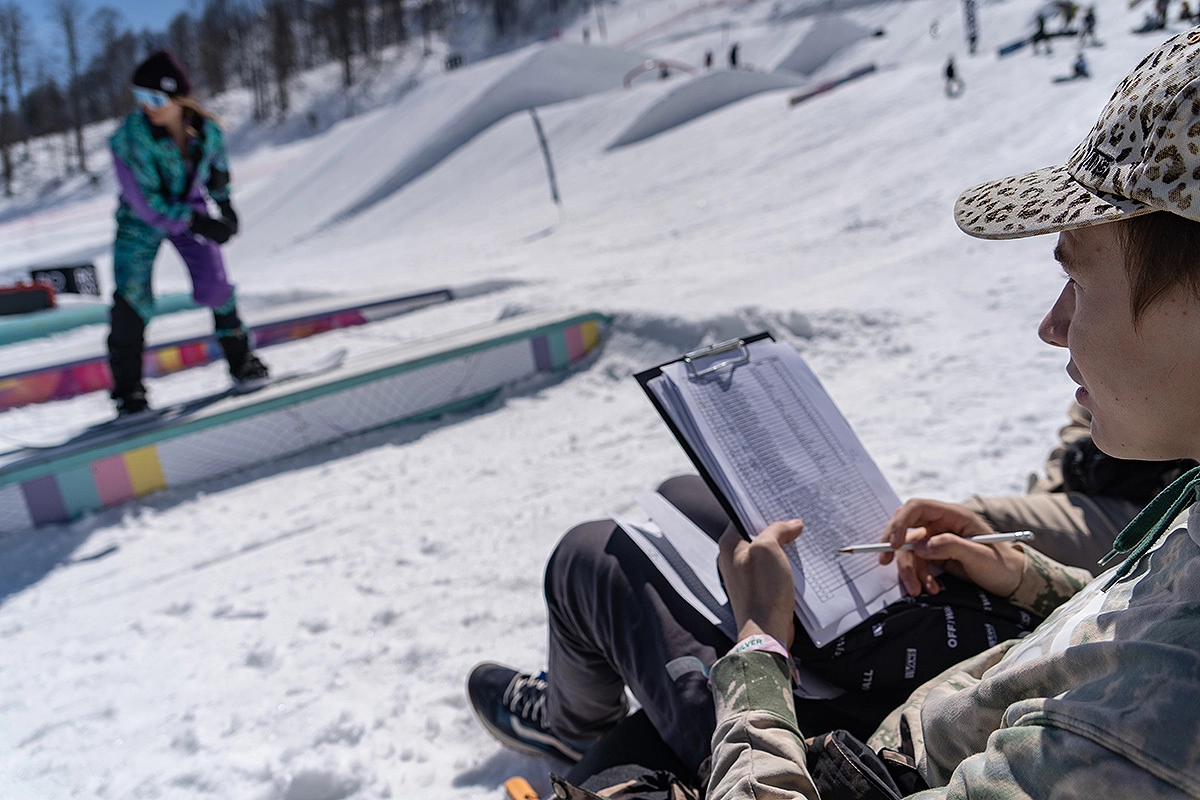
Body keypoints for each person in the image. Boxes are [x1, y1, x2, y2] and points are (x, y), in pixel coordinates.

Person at [708, 30, 1200, 799]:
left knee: (603, 563)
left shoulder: (1157, 724)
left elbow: (1147, 686)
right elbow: (1141, 623)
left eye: (1082, 280)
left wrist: (759, 650)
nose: (1053, 324)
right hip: (940, 712)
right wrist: (1027, 582)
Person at [108, 50, 268, 416]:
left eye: (154, 98)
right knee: (133, 296)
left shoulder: (206, 131)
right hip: (140, 221)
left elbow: (217, 170)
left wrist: (224, 206)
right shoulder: (128, 140)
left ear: (178, 98)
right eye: (139, 98)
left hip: (189, 206)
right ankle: (128, 390)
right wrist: (198, 222)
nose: (146, 107)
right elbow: (148, 205)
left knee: (216, 285)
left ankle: (242, 361)